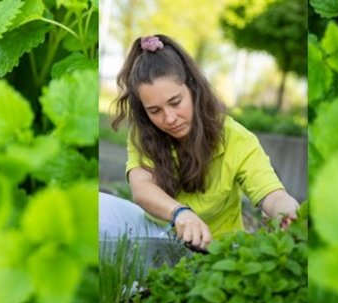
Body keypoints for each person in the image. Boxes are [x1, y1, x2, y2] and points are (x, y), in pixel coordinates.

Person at [105, 34, 299, 251]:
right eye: (155, 110)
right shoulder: (144, 135)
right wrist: (181, 213)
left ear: (193, 89)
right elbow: (142, 190)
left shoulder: (236, 138)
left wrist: (288, 210)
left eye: (175, 102)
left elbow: (271, 195)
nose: (169, 118)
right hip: (157, 238)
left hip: (217, 249)